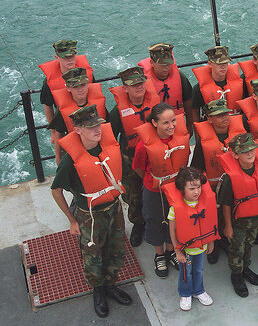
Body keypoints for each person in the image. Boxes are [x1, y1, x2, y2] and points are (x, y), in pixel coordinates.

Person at [51, 105, 131, 318]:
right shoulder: (70, 162)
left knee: (116, 248)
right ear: (77, 130)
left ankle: (110, 284)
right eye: (90, 127)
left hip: (113, 209)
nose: (97, 130)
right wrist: (72, 220)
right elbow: (56, 191)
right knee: (93, 255)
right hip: (89, 216)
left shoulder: (107, 147)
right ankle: (98, 290)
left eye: (98, 125)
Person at [133, 103, 190, 278]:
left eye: (173, 121)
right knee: (155, 220)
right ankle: (159, 254)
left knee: (174, 220)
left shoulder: (181, 140)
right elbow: (138, 168)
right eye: (166, 123)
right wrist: (154, 180)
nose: (171, 126)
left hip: (176, 188)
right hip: (154, 191)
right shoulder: (143, 147)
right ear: (154, 123)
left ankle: (171, 250)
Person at [190, 99, 247, 263]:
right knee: (214, 217)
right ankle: (215, 242)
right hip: (214, 187)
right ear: (209, 119)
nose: (225, 118)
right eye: (219, 115)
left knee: (232, 215)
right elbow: (197, 168)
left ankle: (227, 240)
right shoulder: (203, 143)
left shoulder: (240, 137)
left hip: (236, 185)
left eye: (226, 114)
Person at [109, 66, 160, 247]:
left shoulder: (156, 107)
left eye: (141, 83)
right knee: (133, 194)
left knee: (155, 191)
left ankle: (157, 221)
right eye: (133, 85)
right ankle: (138, 224)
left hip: (152, 156)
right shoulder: (117, 113)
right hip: (129, 160)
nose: (139, 87)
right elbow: (111, 140)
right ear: (125, 88)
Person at [218, 133, 258, 297]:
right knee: (237, 249)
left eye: (252, 150)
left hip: (255, 219)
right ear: (235, 155)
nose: (250, 154)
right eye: (244, 151)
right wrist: (227, 226)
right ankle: (236, 275)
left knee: (249, 246)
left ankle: (245, 268)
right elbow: (226, 204)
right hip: (237, 222)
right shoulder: (230, 178)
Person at [164, 167, 218, 311]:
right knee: (185, 273)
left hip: (201, 248)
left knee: (199, 270)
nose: (196, 192)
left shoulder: (206, 203)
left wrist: (210, 241)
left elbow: (210, 223)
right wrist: (177, 251)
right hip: (185, 250)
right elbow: (172, 230)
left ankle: (198, 290)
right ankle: (185, 293)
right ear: (182, 189)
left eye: (199, 187)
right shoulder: (175, 208)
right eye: (192, 188)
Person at [39, 39, 94, 142]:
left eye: (72, 56)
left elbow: (94, 95)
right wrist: (53, 132)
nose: (69, 60)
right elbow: (48, 105)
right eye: (65, 57)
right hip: (64, 122)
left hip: (88, 120)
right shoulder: (49, 82)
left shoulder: (86, 74)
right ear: (57, 58)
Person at [48, 67, 107, 164]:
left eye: (83, 85)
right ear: (68, 88)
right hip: (77, 152)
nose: (80, 90)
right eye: (75, 87)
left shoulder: (99, 103)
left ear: (88, 84)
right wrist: (58, 160)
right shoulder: (63, 111)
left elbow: (107, 126)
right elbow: (59, 134)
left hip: (98, 149)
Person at [138, 43, 194, 134]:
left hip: (175, 122)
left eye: (168, 64)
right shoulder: (143, 82)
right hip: (155, 126)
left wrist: (189, 125)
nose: (166, 68)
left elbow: (188, 100)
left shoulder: (180, 77)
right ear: (152, 63)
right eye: (162, 65)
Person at [191, 46, 244, 122]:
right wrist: (197, 132)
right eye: (219, 63)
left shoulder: (240, 83)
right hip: (211, 125)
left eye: (225, 63)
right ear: (210, 64)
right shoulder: (198, 88)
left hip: (236, 123)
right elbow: (195, 111)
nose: (223, 66)